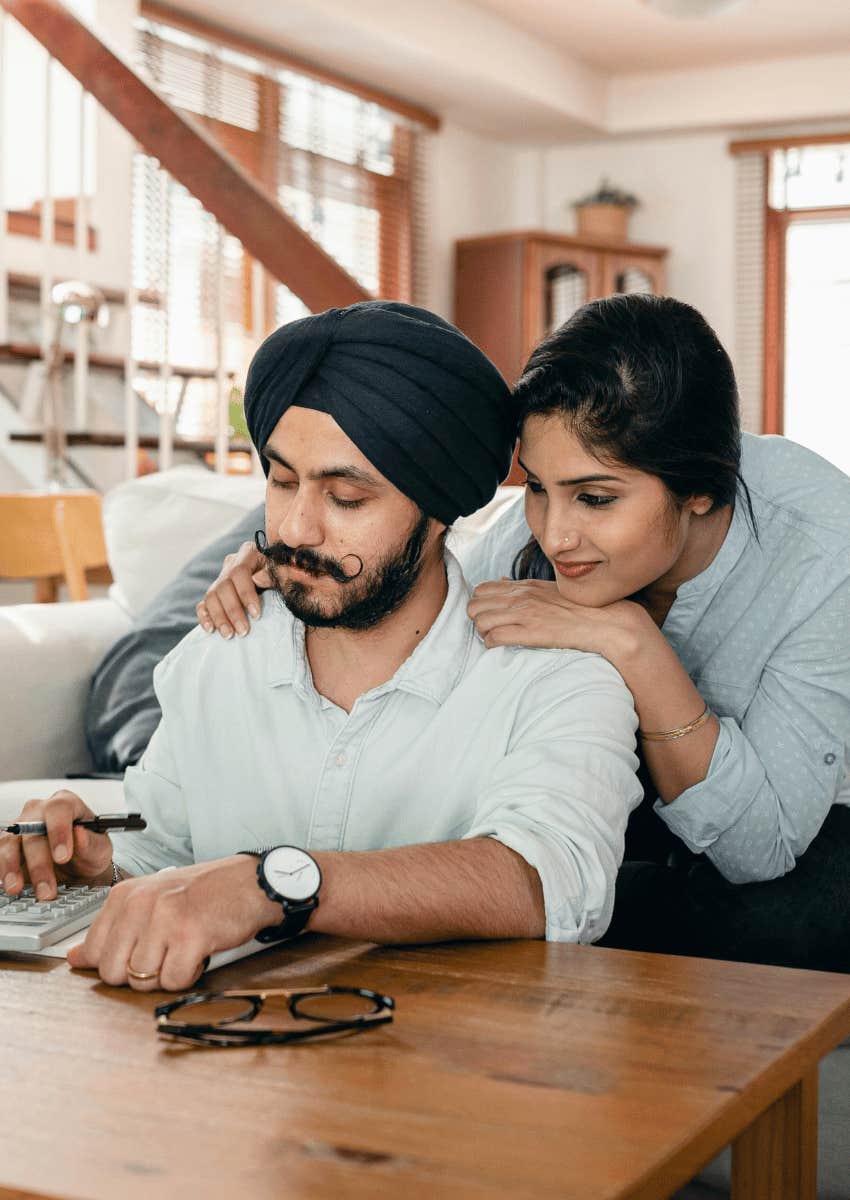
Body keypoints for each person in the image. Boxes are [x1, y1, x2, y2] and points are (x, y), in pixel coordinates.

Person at [0, 301, 641, 991]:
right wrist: (96, 867)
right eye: (282, 482)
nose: (296, 529)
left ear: (438, 509)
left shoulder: (557, 679)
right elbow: (161, 850)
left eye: (345, 497)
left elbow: (551, 881)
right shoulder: (223, 651)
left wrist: (273, 885)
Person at [197, 295, 850, 973]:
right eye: (537, 487)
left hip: (801, 832)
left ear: (701, 492)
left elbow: (760, 848)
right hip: (624, 809)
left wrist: (632, 642)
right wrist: (302, 567)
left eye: (595, 498)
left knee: (777, 925)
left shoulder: (826, 553)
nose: (554, 534)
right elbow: (429, 611)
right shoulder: (524, 538)